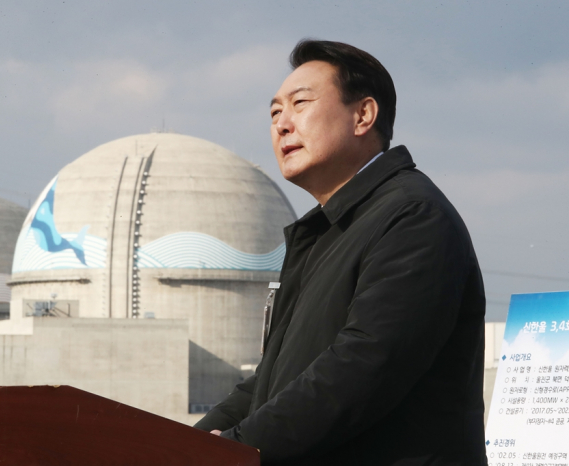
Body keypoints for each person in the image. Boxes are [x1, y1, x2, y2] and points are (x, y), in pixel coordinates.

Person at [194, 40, 488, 465]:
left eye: (300, 103)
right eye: (275, 112)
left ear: (363, 115)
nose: (282, 124)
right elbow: (269, 382)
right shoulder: (327, 232)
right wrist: (181, 444)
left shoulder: (412, 215)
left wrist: (238, 447)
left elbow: (365, 364)